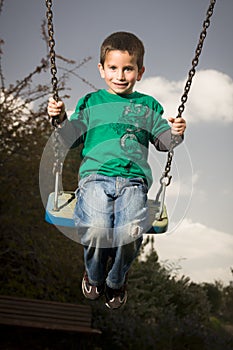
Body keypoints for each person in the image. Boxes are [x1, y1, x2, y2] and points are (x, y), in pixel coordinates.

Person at [47, 31, 186, 309]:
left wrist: (176, 133)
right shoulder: (92, 103)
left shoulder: (147, 106)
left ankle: (116, 280)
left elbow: (164, 142)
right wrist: (59, 118)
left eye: (128, 69)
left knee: (130, 232)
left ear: (140, 71)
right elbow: (70, 138)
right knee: (97, 229)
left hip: (134, 182)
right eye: (113, 68)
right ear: (102, 69)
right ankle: (96, 276)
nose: (120, 75)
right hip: (95, 179)